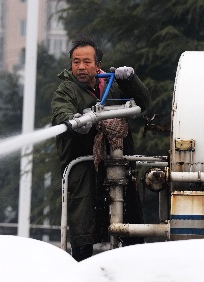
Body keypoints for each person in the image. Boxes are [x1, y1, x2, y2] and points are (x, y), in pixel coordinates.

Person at [51, 37, 151, 261]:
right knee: (83, 225)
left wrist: (131, 80)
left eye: (87, 62)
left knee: (130, 221)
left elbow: (142, 103)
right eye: (76, 62)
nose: (81, 67)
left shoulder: (112, 85)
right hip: (83, 166)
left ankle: (132, 267)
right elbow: (61, 113)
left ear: (98, 64)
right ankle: (82, 271)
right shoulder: (66, 90)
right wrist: (76, 121)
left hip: (118, 163)